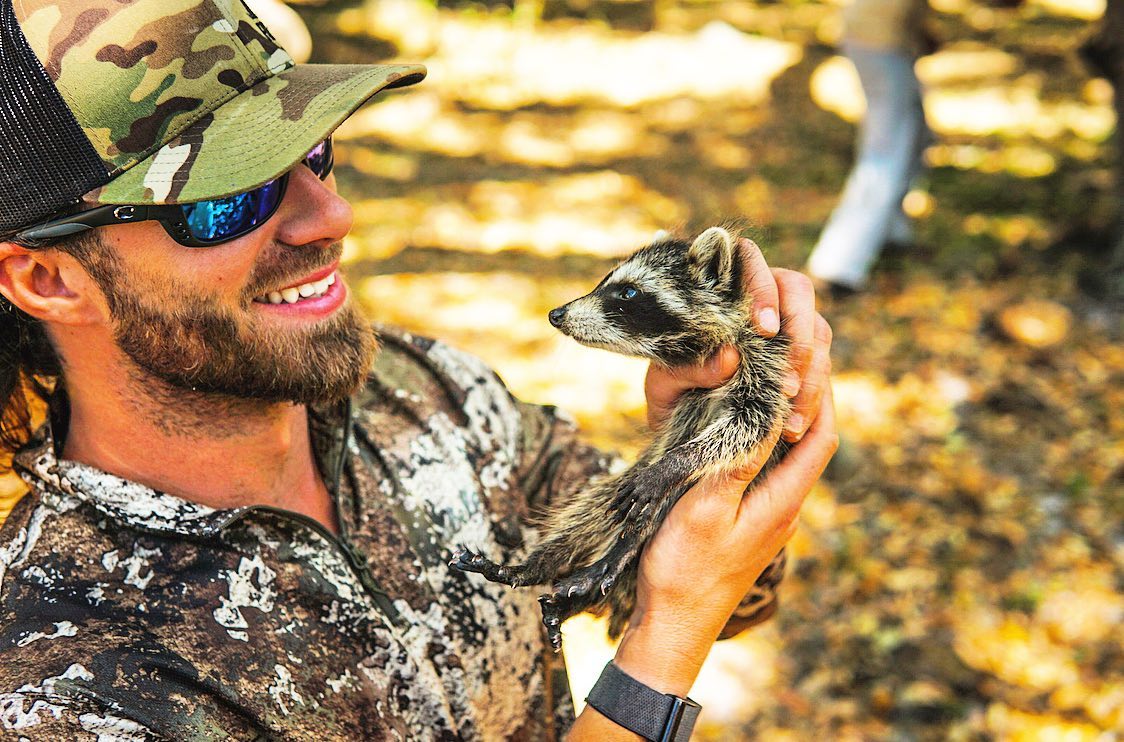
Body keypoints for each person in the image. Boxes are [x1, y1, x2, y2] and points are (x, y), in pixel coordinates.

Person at [0, 1, 836, 739]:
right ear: (47, 279)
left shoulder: (427, 391)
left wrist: (715, 448)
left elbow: (721, 595)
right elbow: (679, 614)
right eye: (224, 198)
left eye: (313, 149)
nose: (331, 214)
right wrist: (663, 653)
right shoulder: (63, 685)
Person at [805, 0, 930, 291]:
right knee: (885, 154)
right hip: (877, 42)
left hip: (888, 38)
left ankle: (891, 232)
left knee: (917, 135)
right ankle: (837, 265)